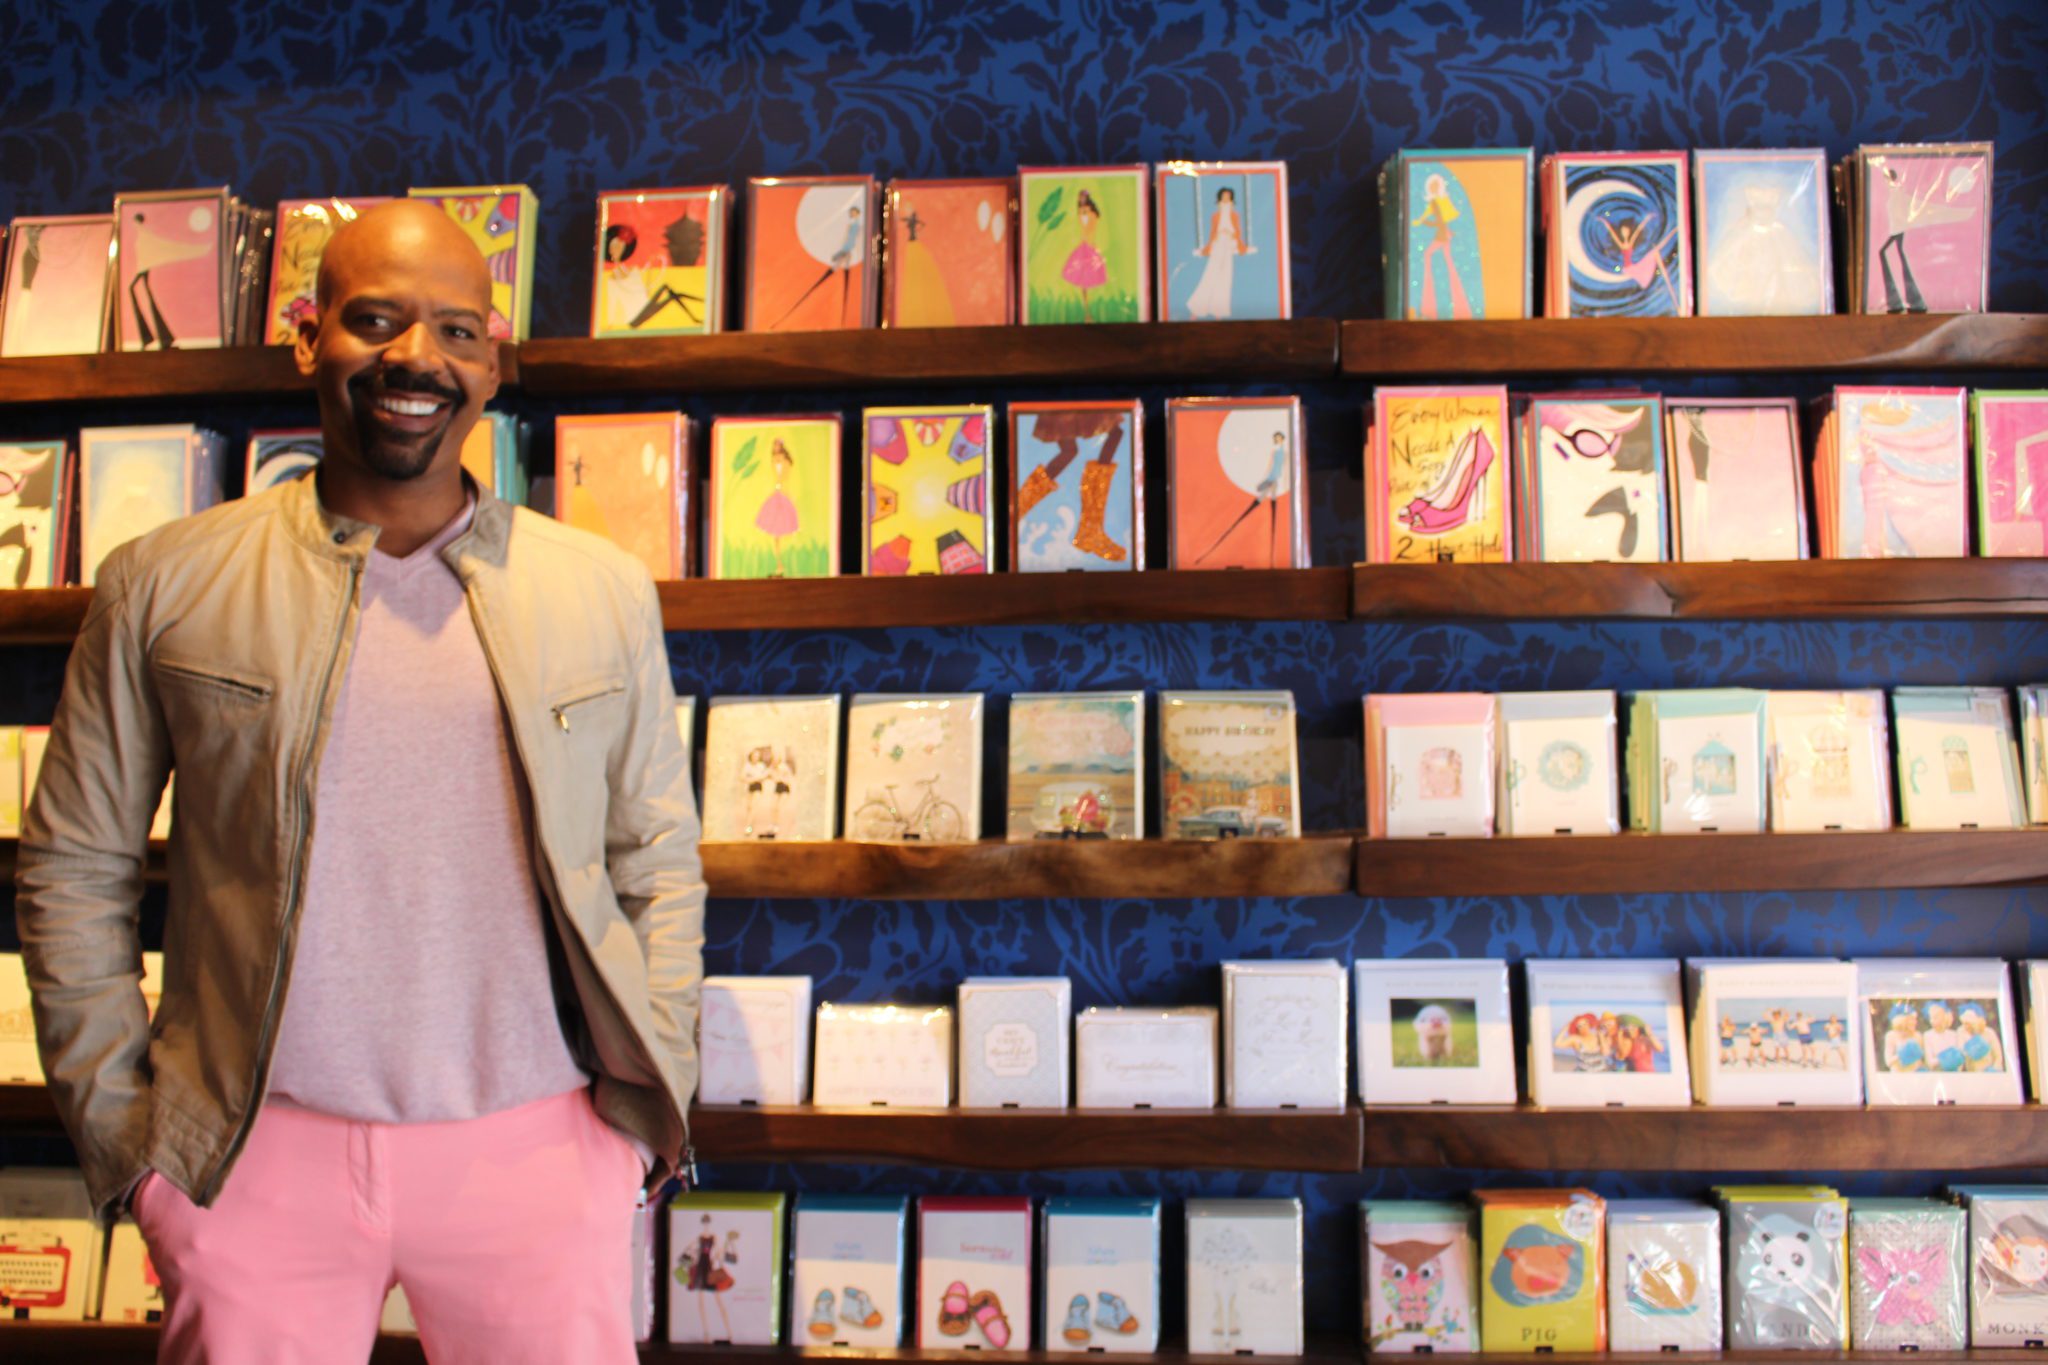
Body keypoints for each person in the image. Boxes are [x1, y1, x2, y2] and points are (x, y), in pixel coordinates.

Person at [13, 199, 704, 1364]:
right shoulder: (165, 583)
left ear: (492, 364)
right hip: (248, 1155)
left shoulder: (598, 588)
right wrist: (128, 1142)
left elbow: (655, 861)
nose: (416, 358)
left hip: (541, 1148)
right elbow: (75, 865)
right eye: (375, 320)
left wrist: (637, 1119)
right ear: (308, 336)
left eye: (456, 331)